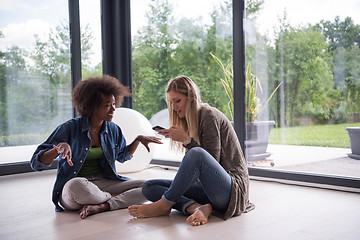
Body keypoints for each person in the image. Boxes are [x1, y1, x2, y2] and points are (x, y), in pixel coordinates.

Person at [128, 75, 254, 226]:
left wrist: (186, 140)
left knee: (196, 154)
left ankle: (164, 204)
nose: (174, 107)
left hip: (231, 191)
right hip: (208, 191)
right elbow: (196, 174)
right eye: (171, 102)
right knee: (149, 187)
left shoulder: (209, 115)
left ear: (192, 97)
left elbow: (210, 160)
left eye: (178, 100)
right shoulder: (189, 121)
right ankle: (196, 207)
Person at [30, 75, 162, 219]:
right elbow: (36, 163)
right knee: (77, 185)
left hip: (103, 182)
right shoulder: (69, 128)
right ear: (92, 106)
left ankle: (103, 205)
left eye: (113, 104)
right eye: (107, 105)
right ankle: (113, 198)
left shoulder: (113, 129)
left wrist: (137, 140)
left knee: (149, 186)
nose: (113, 109)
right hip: (75, 187)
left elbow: (122, 156)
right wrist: (57, 150)